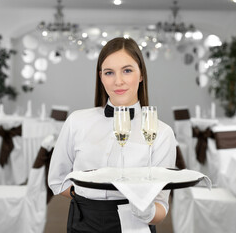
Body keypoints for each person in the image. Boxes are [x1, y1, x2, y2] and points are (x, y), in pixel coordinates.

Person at [48, 37, 176, 232]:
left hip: (133, 225)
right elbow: (57, 180)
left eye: (127, 70)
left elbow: (161, 207)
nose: (118, 81)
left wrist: (145, 211)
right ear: (101, 77)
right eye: (109, 73)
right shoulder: (77, 121)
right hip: (83, 221)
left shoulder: (162, 133)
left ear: (141, 74)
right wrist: (86, 197)